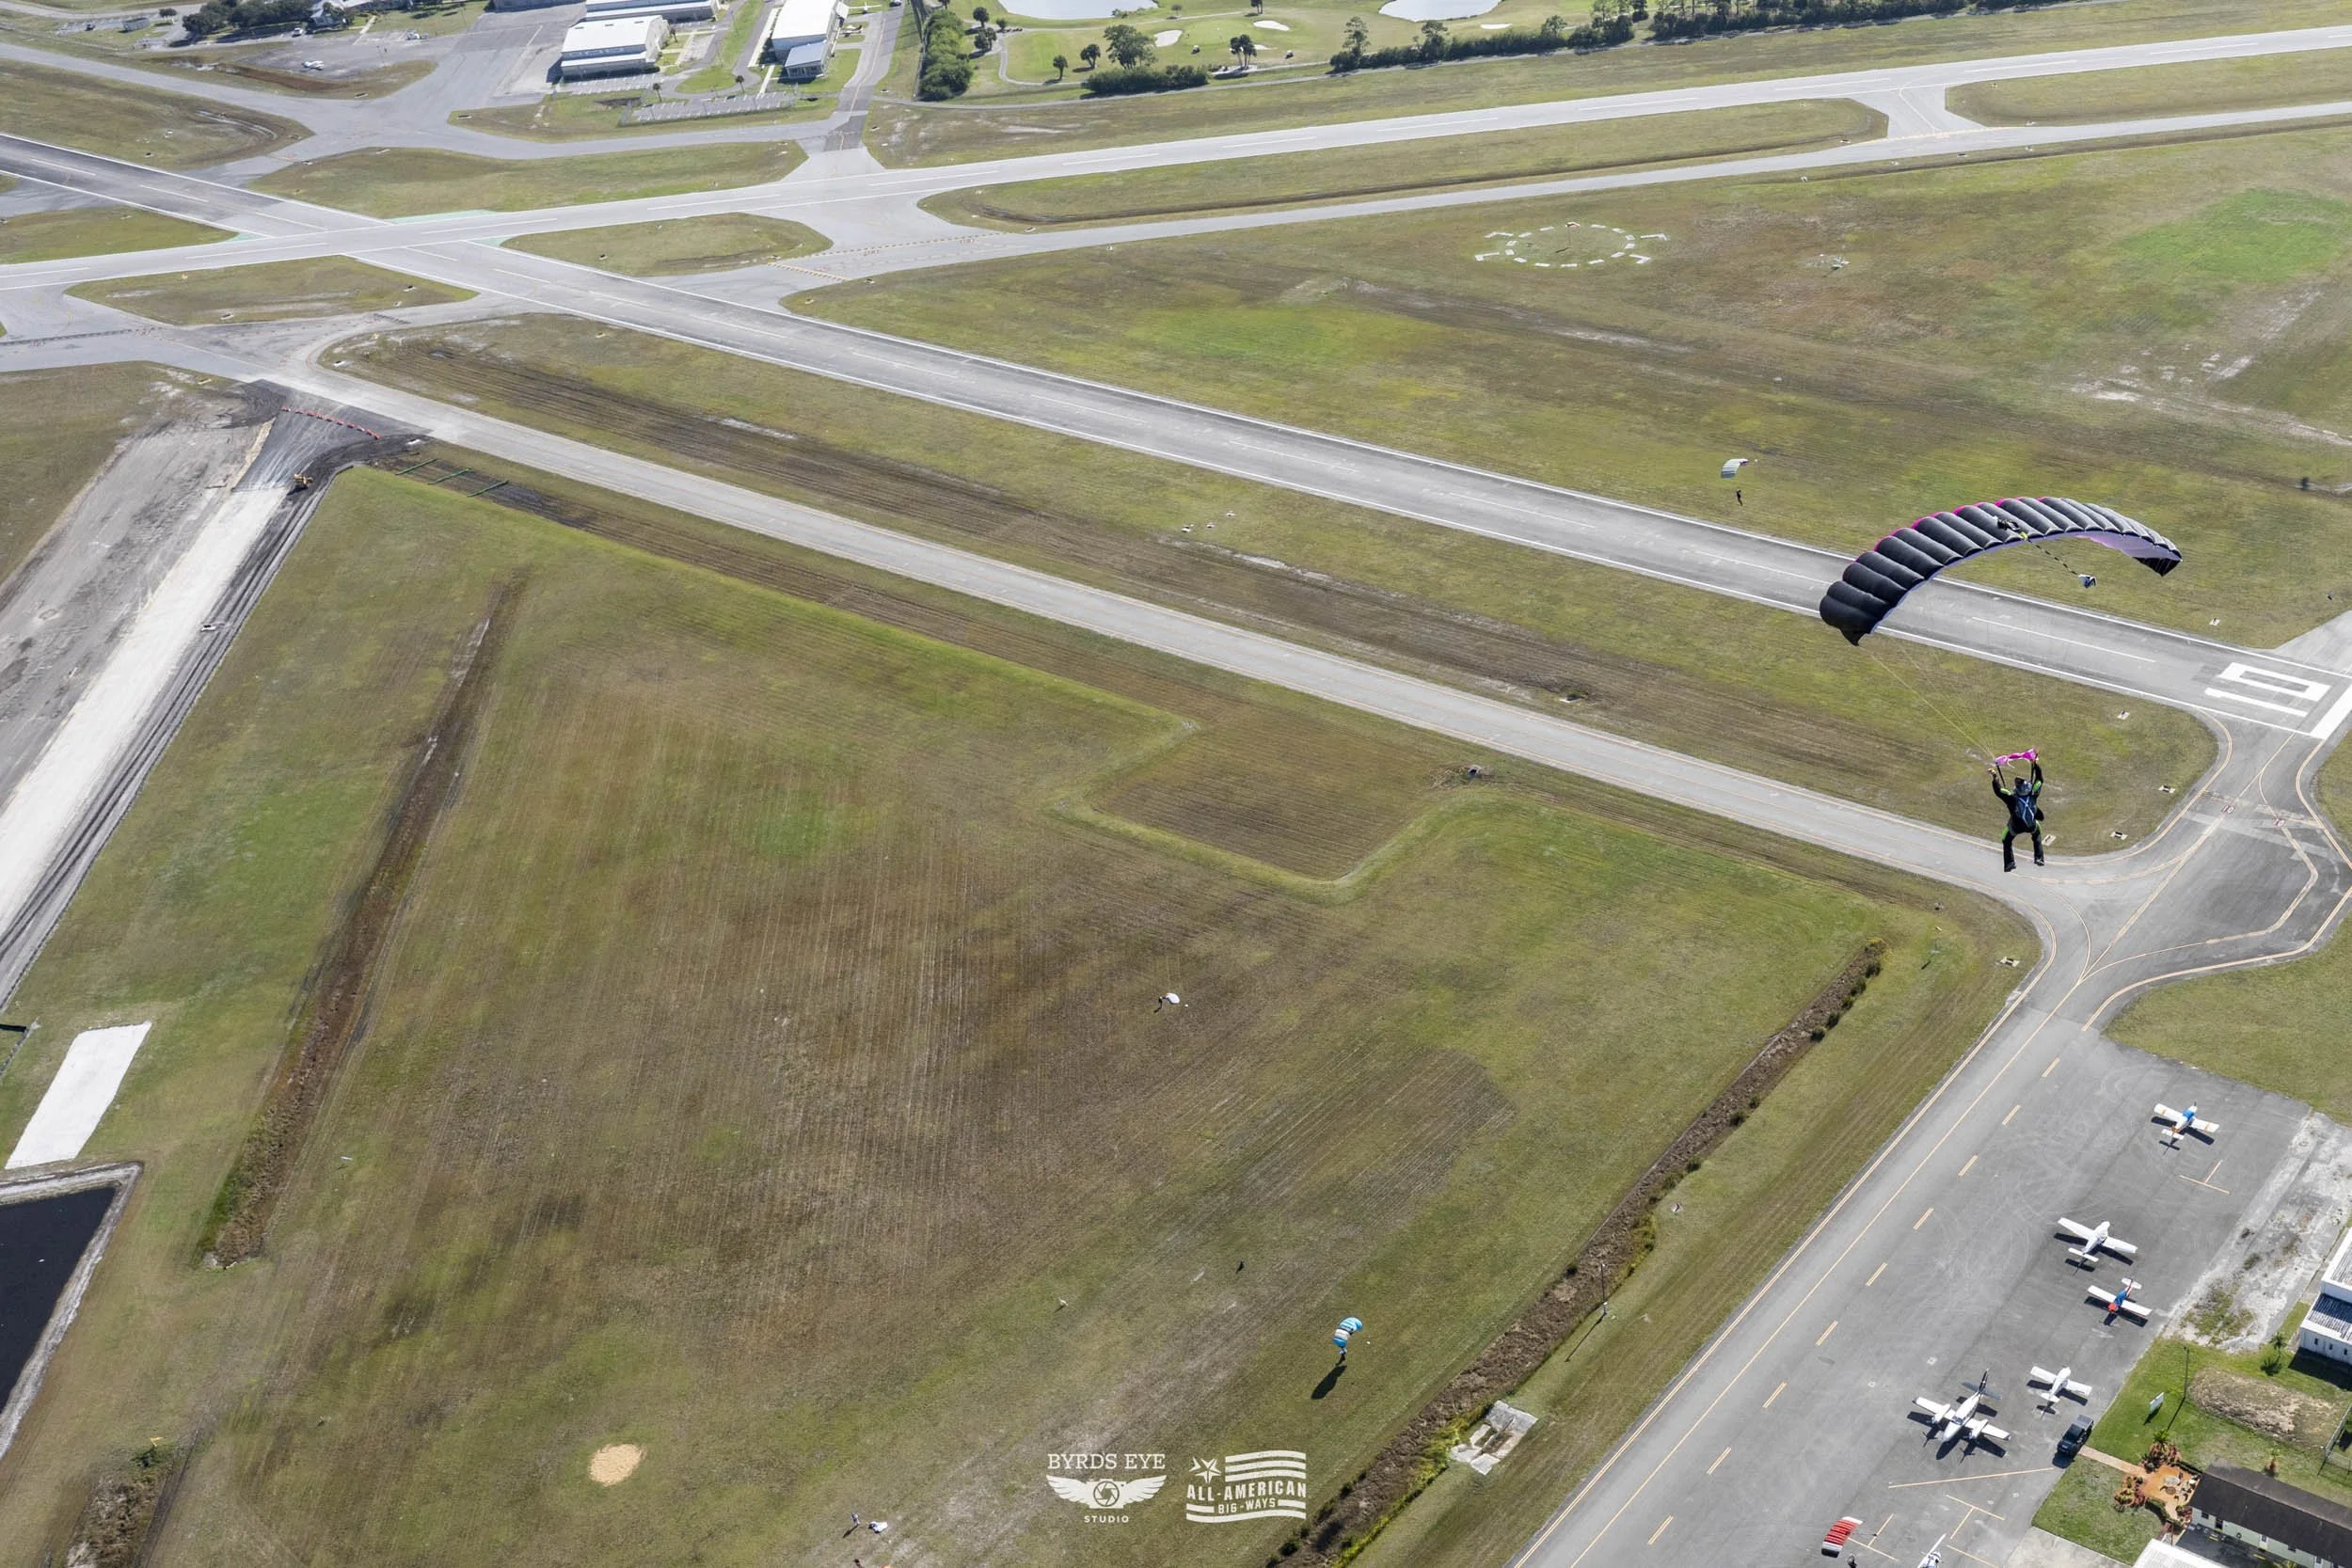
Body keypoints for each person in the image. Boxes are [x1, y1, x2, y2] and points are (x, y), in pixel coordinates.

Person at [1991, 759, 2045, 872]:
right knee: (2037, 834)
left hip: (2015, 827)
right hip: (2031, 825)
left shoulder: (2012, 798)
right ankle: (2039, 858)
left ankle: (2009, 863)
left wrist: (1995, 777)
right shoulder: (2033, 794)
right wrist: (2034, 764)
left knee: (2006, 839)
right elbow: (2039, 779)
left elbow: (1999, 791)